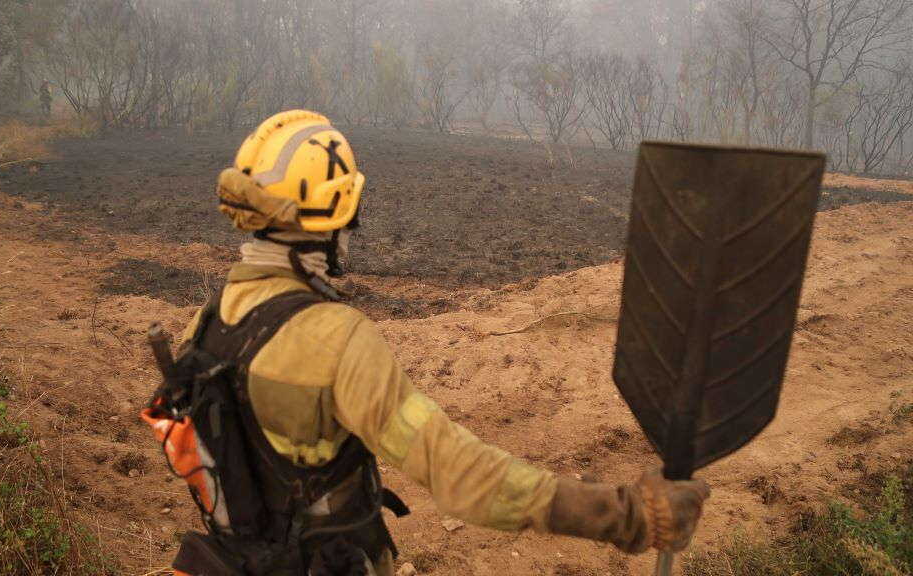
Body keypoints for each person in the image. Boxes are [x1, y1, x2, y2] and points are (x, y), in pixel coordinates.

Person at [144, 110, 710, 576]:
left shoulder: (208, 323)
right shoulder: (338, 343)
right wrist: (625, 515)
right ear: (335, 216)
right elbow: (459, 473)